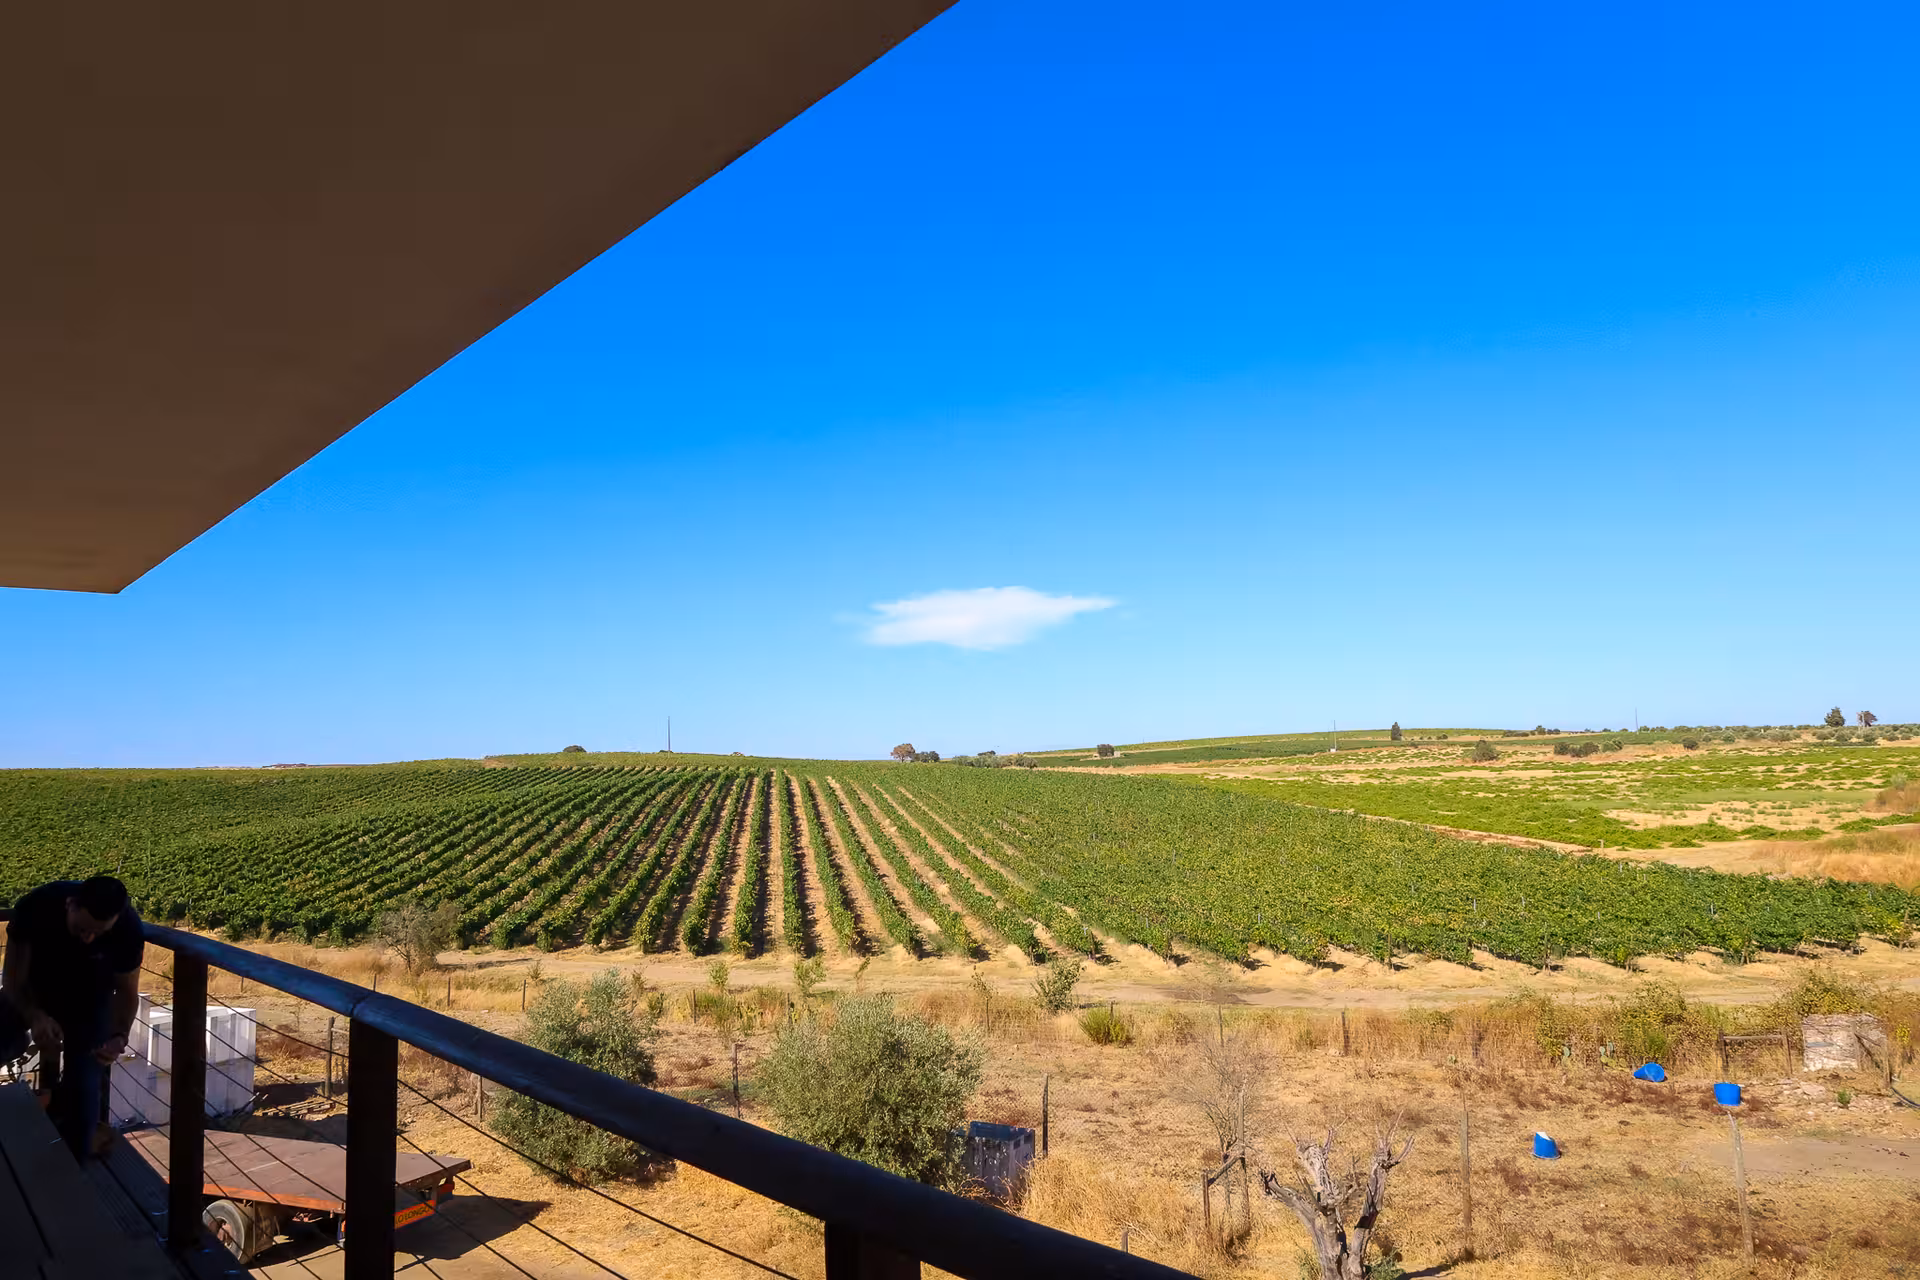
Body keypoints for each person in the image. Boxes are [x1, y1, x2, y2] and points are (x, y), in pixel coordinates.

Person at [1, 876, 144, 1157]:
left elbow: (127, 993)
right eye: (81, 929)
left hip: (89, 1004)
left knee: (85, 1087)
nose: (88, 937)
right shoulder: (36, 907)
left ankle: (74, 1170)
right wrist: (35, 1016)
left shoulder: (127, 929)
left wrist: (119, 1036)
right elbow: (12, 981)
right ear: (69, 905)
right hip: (32, 992)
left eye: (98, 933)